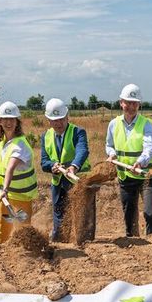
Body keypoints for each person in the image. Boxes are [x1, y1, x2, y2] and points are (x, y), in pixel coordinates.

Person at [105, 83, 152, 236]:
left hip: (145, 175)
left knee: (150, 212)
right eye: (128, 103)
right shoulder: (113, 124)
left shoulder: (146, 124)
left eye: (134, 103)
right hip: (125, 176)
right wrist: (111, 154)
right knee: (129, 214)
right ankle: (133, 240)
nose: (131, 107)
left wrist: (140, 162)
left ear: (139, 105)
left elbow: (149, 148)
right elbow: (109, 145)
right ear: (121, 103)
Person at [39, 98, 94, 242]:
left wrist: (74, 166)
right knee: (59, 214)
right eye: (54, 120)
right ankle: (60, 240)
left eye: (61, 119)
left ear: (67, 117)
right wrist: (52, 166)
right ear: (48, 121)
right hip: (58, 183)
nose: (58, 123)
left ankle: (85, 242)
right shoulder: (46, 136)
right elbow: (44, 161)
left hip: (78, 181)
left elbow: (82, 150)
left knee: (83, 216)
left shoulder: (78, 132)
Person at [0, 102, 38, 244]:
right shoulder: (0, 141)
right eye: (5, 119)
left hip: (21, 197)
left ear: (17, 122)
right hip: (6, 196)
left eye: (12, 119)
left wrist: (5, 189)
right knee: (3, 230)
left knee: (22, 231)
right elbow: (1, 163)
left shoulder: (20, 144)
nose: (8, 123)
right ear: (0, 121)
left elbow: (10, 167)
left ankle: (26, 255)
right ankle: (2, 254)